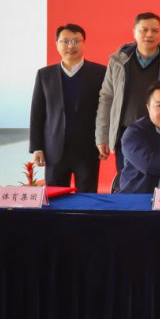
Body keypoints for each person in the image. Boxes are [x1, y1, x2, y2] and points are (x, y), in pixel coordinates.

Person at [96, 12, 160, 175]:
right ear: (134, 32)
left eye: (154, 30)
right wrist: (102, 136)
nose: (149, 34)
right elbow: (107, 98)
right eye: (144, 30)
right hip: (125, 133)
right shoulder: (118, 62)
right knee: (127, 180)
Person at [29, 23, 107, 193]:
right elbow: (37, 113)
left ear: (84, 43)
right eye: (65, 41)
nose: (71, 46)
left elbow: (106, 110)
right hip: (54, 149)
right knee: (55, 197)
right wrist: (37, 147)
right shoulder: (45, 75)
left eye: (76, 41)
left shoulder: (100, 73)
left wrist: (105, 139)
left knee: (87, 196)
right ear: (57, 44)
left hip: (87, 148)